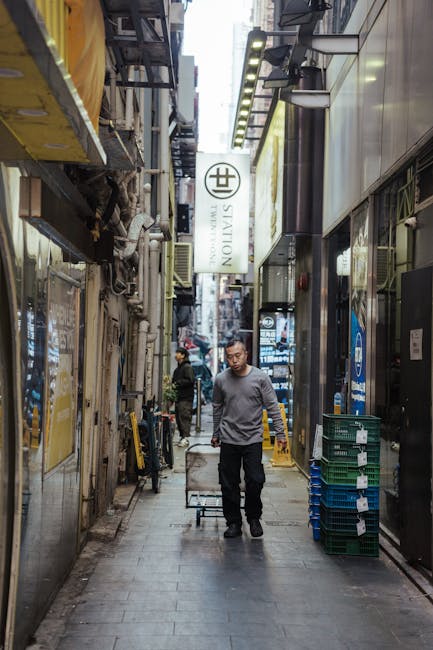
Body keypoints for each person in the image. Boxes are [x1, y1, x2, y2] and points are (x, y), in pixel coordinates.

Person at [211, 338, 287, 538]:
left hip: (253, 439)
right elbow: (217, 408)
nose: (234, 360)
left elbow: (273, 406)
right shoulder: (220, 380)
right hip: (229, 439)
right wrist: (216, 433)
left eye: (237, 355)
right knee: (229, 483)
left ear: (246, 354)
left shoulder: (260, 378)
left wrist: (280, 433)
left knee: (255, 479)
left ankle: (253, 517)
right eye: (229, 357)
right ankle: (233, 522)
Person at [172, 347, 195, 447]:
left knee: (184, 417)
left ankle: (185, 438)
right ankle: (183, 437)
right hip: (180, 397)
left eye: (178, 353)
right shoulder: (178, 368)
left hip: (186, 397)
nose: (176, 355)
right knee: (179, 417)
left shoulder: (187, 367)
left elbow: (190, 380)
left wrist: (177, 383)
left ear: (183, 355)